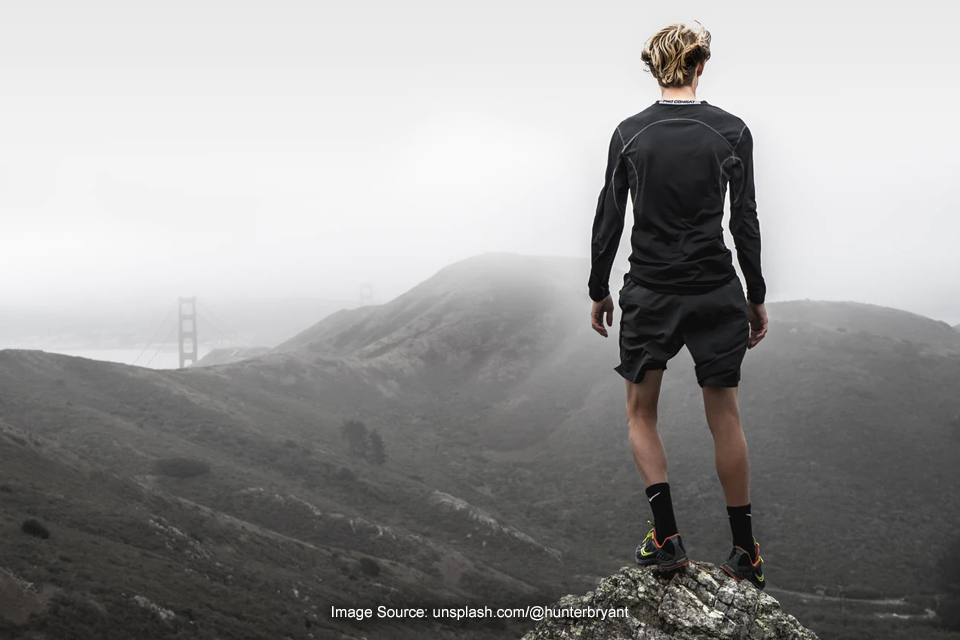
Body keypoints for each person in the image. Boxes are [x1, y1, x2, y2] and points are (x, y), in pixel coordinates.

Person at [587, 21, 769, 590]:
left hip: (651, 291)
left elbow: (610, 217)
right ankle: (745, 552)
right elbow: (744, 220)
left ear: (653, 68)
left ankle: (666, 538)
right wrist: (755, 296)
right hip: (717, 289)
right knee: (726, 416)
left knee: (641, 412)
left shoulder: (629, 135)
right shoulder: (732, 132)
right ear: (700, 66)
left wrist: (598, 288)